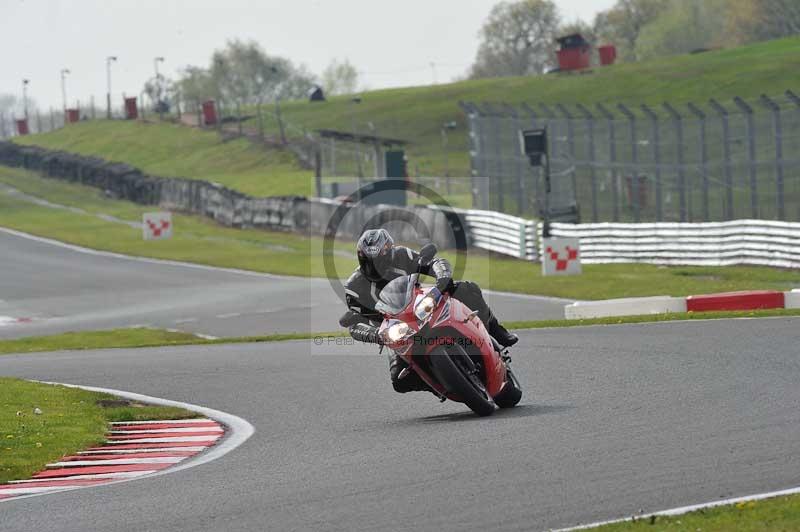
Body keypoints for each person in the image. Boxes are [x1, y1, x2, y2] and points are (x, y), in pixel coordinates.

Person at [341, 228, 518, 393]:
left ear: (389, 254)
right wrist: (376, 335)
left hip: (421, 305)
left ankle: (496, 330)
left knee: (468, 289)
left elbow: (433, 262)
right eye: (369, 262)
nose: (375, 266)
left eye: (379, 261)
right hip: (395, 332)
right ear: (361, 259)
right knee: (399, 381)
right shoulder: (354, 287)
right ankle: (440, 384)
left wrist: (442, 278)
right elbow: (355, 324)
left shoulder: (402, 255)